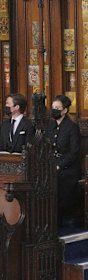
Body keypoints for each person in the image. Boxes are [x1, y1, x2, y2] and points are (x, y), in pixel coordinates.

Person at [47, 95, 82, 227]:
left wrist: (59, 166)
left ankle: (66, 217)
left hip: (69, 167)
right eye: (53, 107)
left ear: (65, 110)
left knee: (61, 180)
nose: (54, 110)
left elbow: (74, 153)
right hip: (51, 163)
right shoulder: (50, 125)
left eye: (57, 108)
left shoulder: (72, 127)